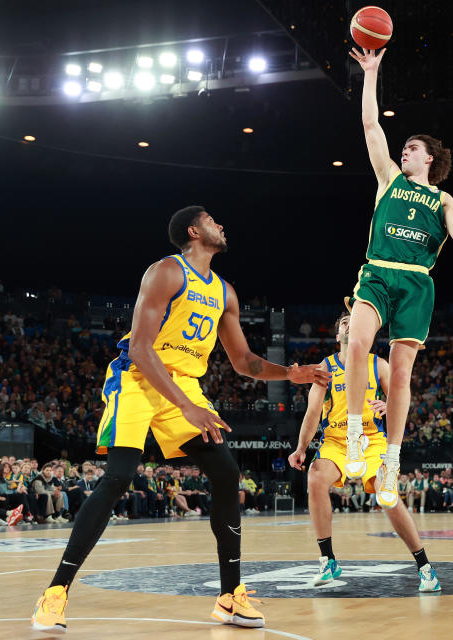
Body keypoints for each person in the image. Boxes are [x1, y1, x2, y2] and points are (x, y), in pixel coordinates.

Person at [31, 205, 329, 632]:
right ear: (193, 230)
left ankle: (229, 597)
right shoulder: (166, 273)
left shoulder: (225, 292)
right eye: (213, 220)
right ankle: (55, 592)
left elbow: (243, 360)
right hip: (137, 377)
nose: (222, 224)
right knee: (118, 477)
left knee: (226, 473)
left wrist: (290, 374)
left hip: (183, 386)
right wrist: (187, 406)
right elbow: (139, 348)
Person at [340, 46, 453, 508]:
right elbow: (370, 125)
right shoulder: (388, 177)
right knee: (357, 345)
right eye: (403, 146)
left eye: (412, 148)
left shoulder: (444, 198)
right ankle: (352, 433)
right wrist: (371, 72)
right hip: (379, 271)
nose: (404, 150)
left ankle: (391, 459)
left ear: (429, 160)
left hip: (417, 282)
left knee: (402, 375)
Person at [289, 312, 440, 591]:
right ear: (338, 336)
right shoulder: (325, 367)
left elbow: (401, 399)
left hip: (371, 440)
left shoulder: (378, 365)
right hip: (336, 440)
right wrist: (301, 447)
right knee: (315, 476)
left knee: (387, 493)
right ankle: (328, 559)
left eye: (353, 320)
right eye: (343, 322)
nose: (349, 323)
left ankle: (425, 566)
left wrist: (389, 406)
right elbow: (312, 413)